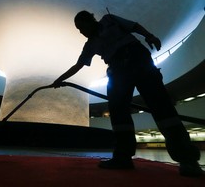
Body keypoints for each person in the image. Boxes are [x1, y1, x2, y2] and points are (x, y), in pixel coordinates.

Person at [52, 10, 203, 177]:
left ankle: (187, 160)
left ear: (89, 20)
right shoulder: (90, 44)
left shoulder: (109, 20)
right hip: (117, 70)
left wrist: (149, 36)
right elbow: (78, 65)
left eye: (81, 28)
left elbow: (134, 26)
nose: (81, 32)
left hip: (139, 60)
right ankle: (123, 157)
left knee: (162, 106)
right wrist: (59, 79)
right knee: (118, 112)